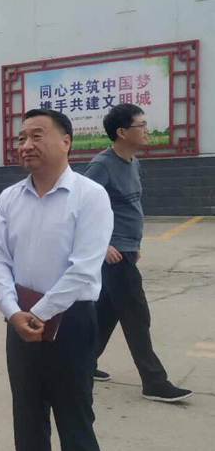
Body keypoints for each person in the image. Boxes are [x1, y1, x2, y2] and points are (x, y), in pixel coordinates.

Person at [0, 109, 113, 451]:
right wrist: (12, 311)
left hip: (71, 323)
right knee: (27, 423)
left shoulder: (90, 196)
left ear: (66, 141)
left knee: (75, 426)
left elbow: (84, 268)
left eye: (37, 135)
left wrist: (37, 312)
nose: (26, 145)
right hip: (19, 323)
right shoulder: (10, 198)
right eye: (21, 137)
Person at [84, 104, 193, 403]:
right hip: (113, 253)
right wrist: (101, 246)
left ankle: (83, 363)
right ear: (122, 132)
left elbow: (130, 207)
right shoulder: (101, 166)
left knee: (107, 312)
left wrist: (135, 243)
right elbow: (79, 208)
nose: (147, 130)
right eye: (141, 125)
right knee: (136, 315)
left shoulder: (133, 162)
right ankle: (154, 382)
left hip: (127, 248)